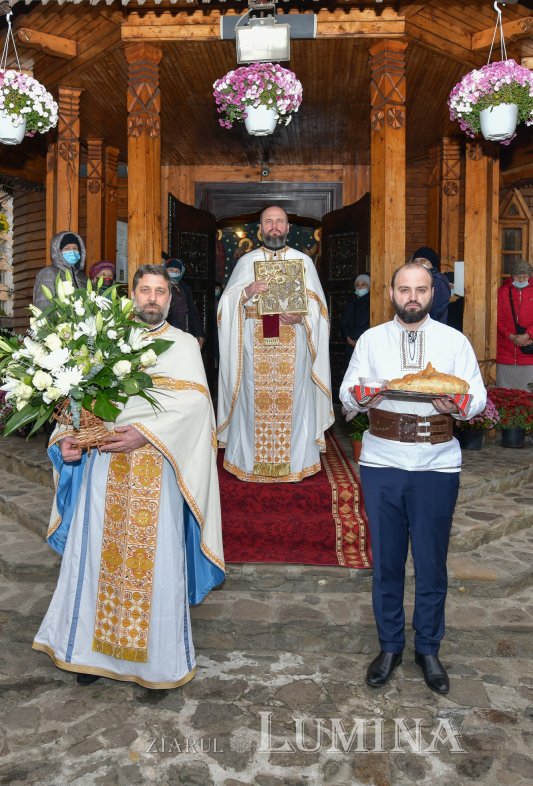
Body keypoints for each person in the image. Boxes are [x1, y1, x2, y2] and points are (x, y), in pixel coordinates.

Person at [33, 264, 225, 689]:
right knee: (94, 558)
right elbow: (76, 397)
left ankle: (155, 665)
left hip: (156, 470)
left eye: (160, 292)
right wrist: (67, 439)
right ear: (131, 295)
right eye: (145, 290)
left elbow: (196, 408)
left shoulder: (183, 346)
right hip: (102, 468)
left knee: (152, 566)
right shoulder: (104, 339)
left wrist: (145, 433)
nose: (152, 298)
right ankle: (85, 654)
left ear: (170, 300)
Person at [340, 261, 486, 694]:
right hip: (383, 461)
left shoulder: (454, 341)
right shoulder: (371, 340)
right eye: (404, 289)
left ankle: (428, 648)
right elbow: (348, 391)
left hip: (437, 464)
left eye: (420, 290)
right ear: (391, 292)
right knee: (385, 562)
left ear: (433, 294)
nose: (412, 298)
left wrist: (457, 405)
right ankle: (389, 646)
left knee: (430, 562)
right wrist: (364, 395)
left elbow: (476, 396)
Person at [217, 205, 333, 482]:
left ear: (288, 227)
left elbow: (321, 310)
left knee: (295, 402)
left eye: (279, 221)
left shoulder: (303, 262)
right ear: (260, 227)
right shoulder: (247, 262)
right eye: (268, 222)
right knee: (251, 400)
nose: (274, 227)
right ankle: (249, 463)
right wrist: (246, 292)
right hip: (253, 349)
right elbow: (224, 308)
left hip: (294, 348)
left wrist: (302, 315)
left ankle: (295, 464)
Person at [496, 260, 533, 390]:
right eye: (518, 276)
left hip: (529, 355)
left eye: (525, 276)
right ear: (512, 276)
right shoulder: (502, 292)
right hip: (506, 353)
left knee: (527, 400)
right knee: (504, 397)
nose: (522, 279)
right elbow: (497, 319)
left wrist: (528, 335)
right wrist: (512, 337)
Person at [33, 231, 87, 310]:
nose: (72, 251)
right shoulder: (48, 273)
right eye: (67, 248)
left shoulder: (83, 277)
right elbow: (43, 305)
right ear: (58, 252)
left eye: (75, 248)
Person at [165, 258, 206, 349]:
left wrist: (199, 333)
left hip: (186, 331)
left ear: (181, 273)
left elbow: (193, 312)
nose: (174, 273)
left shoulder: (185, 288)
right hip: (167, 334)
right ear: (165, 270)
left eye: (177, 271)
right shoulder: (160, 287)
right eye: (171, 270)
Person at [412, 247, 450, 324]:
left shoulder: (439, 281)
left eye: (423, 261)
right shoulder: (415, 279)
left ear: (432, 264)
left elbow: (435, 311)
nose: (419, 264)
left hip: (435, 327)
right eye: (416, 261)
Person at [340, 274, 371, 367]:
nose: (360, 287)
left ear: (369, 286)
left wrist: (359, 339)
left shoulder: (372, 302)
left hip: (365, 343)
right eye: (357, 285)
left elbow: (370, 323)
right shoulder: (352, 301)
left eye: (363, 284)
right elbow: (344, 322)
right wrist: (348, 337)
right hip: (350, 345)